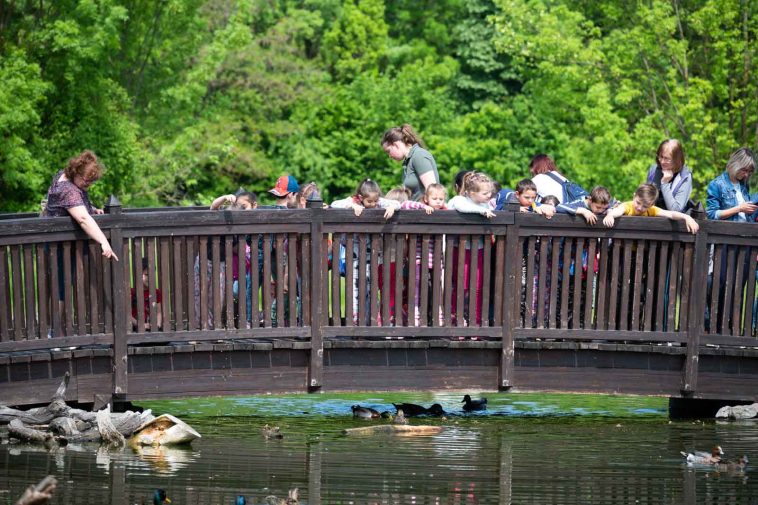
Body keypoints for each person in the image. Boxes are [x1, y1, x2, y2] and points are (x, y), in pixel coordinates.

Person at [331, 179, 401, 324]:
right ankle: (356, 321)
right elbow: (334, 204)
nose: (374, 204)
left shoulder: (377, 201)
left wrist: (392, 208)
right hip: (355, 254)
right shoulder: (354, 200)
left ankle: (369, 321)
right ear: (361, 198)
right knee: (355, 287)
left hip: (372, 254)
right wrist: (351, 206)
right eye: (370, 201)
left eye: (376, 200)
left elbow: (397, 203)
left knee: (371, 288)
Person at [43, 150, 118, 261]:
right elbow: (83, 219)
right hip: (61, 247)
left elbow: (68, 205)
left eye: (92, 181)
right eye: (87, 181)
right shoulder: (68, 190)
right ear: (76, 173)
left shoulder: (63, 175)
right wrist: (104, 242)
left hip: (57, 243)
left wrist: (91, 208)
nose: (89, 185)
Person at [447, 172, 496, 325]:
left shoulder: (486, 204)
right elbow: (462, 207)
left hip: (479, 249)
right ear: (471, 193)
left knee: (478, 287)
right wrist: (481, 212)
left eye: (490, 192)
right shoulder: (459, 199)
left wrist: (485, 209)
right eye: (485, 193)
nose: (489, 195)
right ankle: (456, 319)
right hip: (460, 249)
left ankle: (476, 320)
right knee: (461, 285)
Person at [603, 183, 699, 233]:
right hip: (622, 248)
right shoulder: (628, 206)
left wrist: (687, 217)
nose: (640, 208)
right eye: (638, 203)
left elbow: (670, 213)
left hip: (642, 249)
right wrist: (610, 215)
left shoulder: (651, 210)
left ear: (651, 204)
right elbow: (619, 210)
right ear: (634, 196)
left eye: (645, 206)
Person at [381, 124, 440, 200]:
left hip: (426, 211)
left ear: (396, 145)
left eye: (388, 151)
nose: (389, 156)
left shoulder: (419, 155)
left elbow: (433, 191)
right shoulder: (408, 161)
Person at [706, 147, 757, 222]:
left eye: (749, 172)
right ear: (735, 164)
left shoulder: (744, 184)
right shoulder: (716, 184)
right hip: (729, 231)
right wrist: (739, 208)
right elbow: (712, 215)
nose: (746, 175)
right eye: (744, 170)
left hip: (747, 230)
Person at [646, 139, 692, 212]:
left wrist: (665, 184)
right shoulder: (654, 170)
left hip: (675, 221)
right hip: (653, 217)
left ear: (676, 160)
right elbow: (646, 200)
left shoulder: (685, 177)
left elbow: (676, 209)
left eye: (667, 158)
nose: (662, 161)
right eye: (660, 157)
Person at [131, 258, 163, 331]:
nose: (150, 278)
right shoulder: (132, 292)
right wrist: (140, 325)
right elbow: (128, 315)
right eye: (146, 275)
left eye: (152, 275)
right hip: (135, 328)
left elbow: (158, 312)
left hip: (151, 327)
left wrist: (157, 325)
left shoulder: (156, 292)